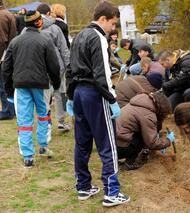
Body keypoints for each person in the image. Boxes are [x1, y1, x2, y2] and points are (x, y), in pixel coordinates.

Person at [65, 1, 130, 206]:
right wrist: (112, 100)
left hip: (79, 94)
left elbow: (69, 68)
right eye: (113, 23)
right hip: (95, 94)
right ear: (103, 19)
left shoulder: (78, 37)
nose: (114, 28)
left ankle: (83, 186)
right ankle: (112, 191)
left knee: (82, 142)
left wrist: (70, 95)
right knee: (107, 143)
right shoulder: (98, 37)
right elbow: (102, 74)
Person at [1, 11, 60, 167]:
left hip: (20, 86)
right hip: (40, 86)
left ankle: (28, 156)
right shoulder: (45, 40)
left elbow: (6, 68)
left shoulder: (15, 42)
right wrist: (56, 83)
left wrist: (8, 90)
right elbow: (54, 66)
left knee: (24, 120)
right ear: (38, 22)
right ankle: (43, 146)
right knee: (43, 115)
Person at [116, 91, 174, 170]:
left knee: (142, 133)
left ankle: (117, 158)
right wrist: (168, 140)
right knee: (143, 138)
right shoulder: (148, 115)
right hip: (118, 148)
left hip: (108, 144)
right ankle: (129, 164)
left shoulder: (140, 101)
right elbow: (152, 143)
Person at [37, 3, 71, 132]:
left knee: (45, 95)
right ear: (48, 13)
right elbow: (64, 49)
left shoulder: (30, 28)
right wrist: (69, 66)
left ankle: (46, 121)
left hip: (40, 67)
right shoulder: (55, 28)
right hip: (57, 67)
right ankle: (61, 121)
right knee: (60, 93)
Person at [0, 0, 16, 120]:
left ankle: (7, 111)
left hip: (2, 55)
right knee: (9, 83)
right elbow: (13, 36)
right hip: (10, 53)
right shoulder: (9, 14)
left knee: (3, 85)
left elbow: (1, 39)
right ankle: (12, 109)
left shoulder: (2, 15)